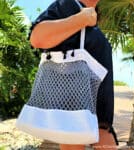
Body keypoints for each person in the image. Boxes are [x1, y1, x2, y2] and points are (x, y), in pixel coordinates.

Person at [29, 0, 118, 149]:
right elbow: (38, 37)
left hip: (99, 120)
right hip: (76, 112)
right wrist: (81, 19)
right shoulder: (68, 4)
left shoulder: (91, 17)